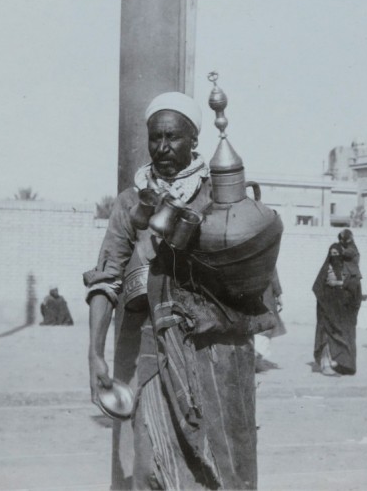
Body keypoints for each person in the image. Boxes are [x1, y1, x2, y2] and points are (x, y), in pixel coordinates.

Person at [84, 91, 274, 489]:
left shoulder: (218, 197)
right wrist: (95, 353)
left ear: (194, 140)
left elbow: (253, 275)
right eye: (155, 137)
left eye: (172, 137)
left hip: (214, 352)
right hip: (152, 351)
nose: (162, 146)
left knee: (216, 466)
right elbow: (106, 279)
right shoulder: (130, 202)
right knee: (151, 466)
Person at [312, 229, 363, 376]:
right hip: (327, 309)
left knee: (343, 335)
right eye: (332, 254)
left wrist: (339, 284)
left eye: (337, 253)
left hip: (342, 310)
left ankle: (343, 364)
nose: (334, 256)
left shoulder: (346, 269)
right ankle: (325, 365)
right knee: (326, 335)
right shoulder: (327, 268)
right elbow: (317, 287)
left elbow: (354, 288)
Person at [255, 270, 285, 372]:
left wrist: (278, 294)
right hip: (264, 296)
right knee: (266, 327)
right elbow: (273, 273)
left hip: (260, 295)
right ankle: (256, 359)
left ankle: (256, 360)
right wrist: (278, 295)